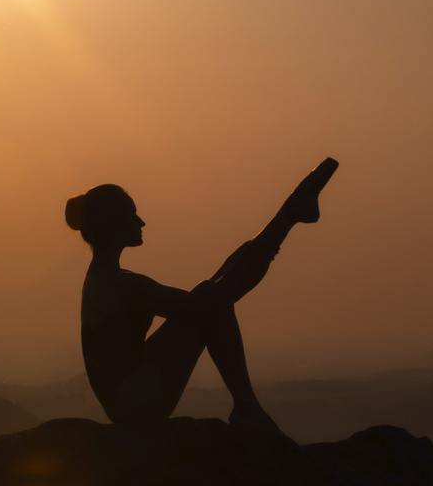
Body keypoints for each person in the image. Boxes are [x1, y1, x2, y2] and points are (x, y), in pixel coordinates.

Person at [65, 158, 339, 433]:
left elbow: (208, 299)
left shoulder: (105, 277)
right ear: (114, 226)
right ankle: (246, 405)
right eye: (132, 215)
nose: (141, 221)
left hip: (131, 397)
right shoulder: (118, 284)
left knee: (209, 294)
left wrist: (250, 250)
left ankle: (288, 216)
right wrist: (278, 228)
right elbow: (207, 306)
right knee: (210, 299)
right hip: (134, 404)